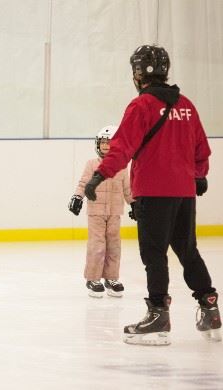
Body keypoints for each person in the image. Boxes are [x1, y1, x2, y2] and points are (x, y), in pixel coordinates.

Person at [84, 45, 221, 345]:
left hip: (153, 193)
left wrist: (99, 175)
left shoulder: (142, 106)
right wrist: (198, 176)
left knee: (154, 254)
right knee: (188, 250)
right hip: (184, 193)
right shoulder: (186, 104)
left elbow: (121, 148)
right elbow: (202, 149)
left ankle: (158, 313)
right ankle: (209, 307)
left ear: (136, 74)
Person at [68, 125, 134, 298]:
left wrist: (135, 204)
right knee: (97, 246)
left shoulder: (122, 167)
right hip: (96, 212)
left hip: (114, 212)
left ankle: (111, 278)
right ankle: (93, 278)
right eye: (103, 142)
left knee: (114, 246)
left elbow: (128, 189)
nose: (105, 145)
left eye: (110, 143)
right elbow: (83, 184)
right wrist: (77, 197)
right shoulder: (91, 164)